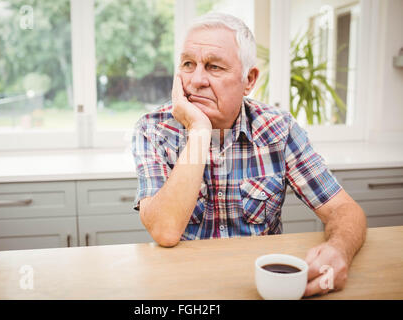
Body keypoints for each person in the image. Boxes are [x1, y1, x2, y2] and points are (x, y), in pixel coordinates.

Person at [131, 12, 367, 297]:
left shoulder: (279, 129)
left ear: (249, 79)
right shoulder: (153, 129)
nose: (196, 80)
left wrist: (339, 249)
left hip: (261, 288)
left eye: (214, 67)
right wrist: (199, 131)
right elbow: (165, 231)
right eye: (188, 64)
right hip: (183, 288)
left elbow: (344, 210)